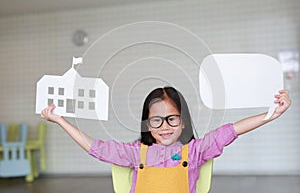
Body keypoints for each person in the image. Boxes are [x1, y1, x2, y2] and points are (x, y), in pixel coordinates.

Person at [41, 87, 291, 193]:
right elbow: (94, 147)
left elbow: (231, 131)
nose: (164, 126)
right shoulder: (134, 153)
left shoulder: (195, 151)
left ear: (183, 122)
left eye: (172, 118)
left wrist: (272, 114)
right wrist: (61, 121)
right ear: (147, 124)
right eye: (156, 120)